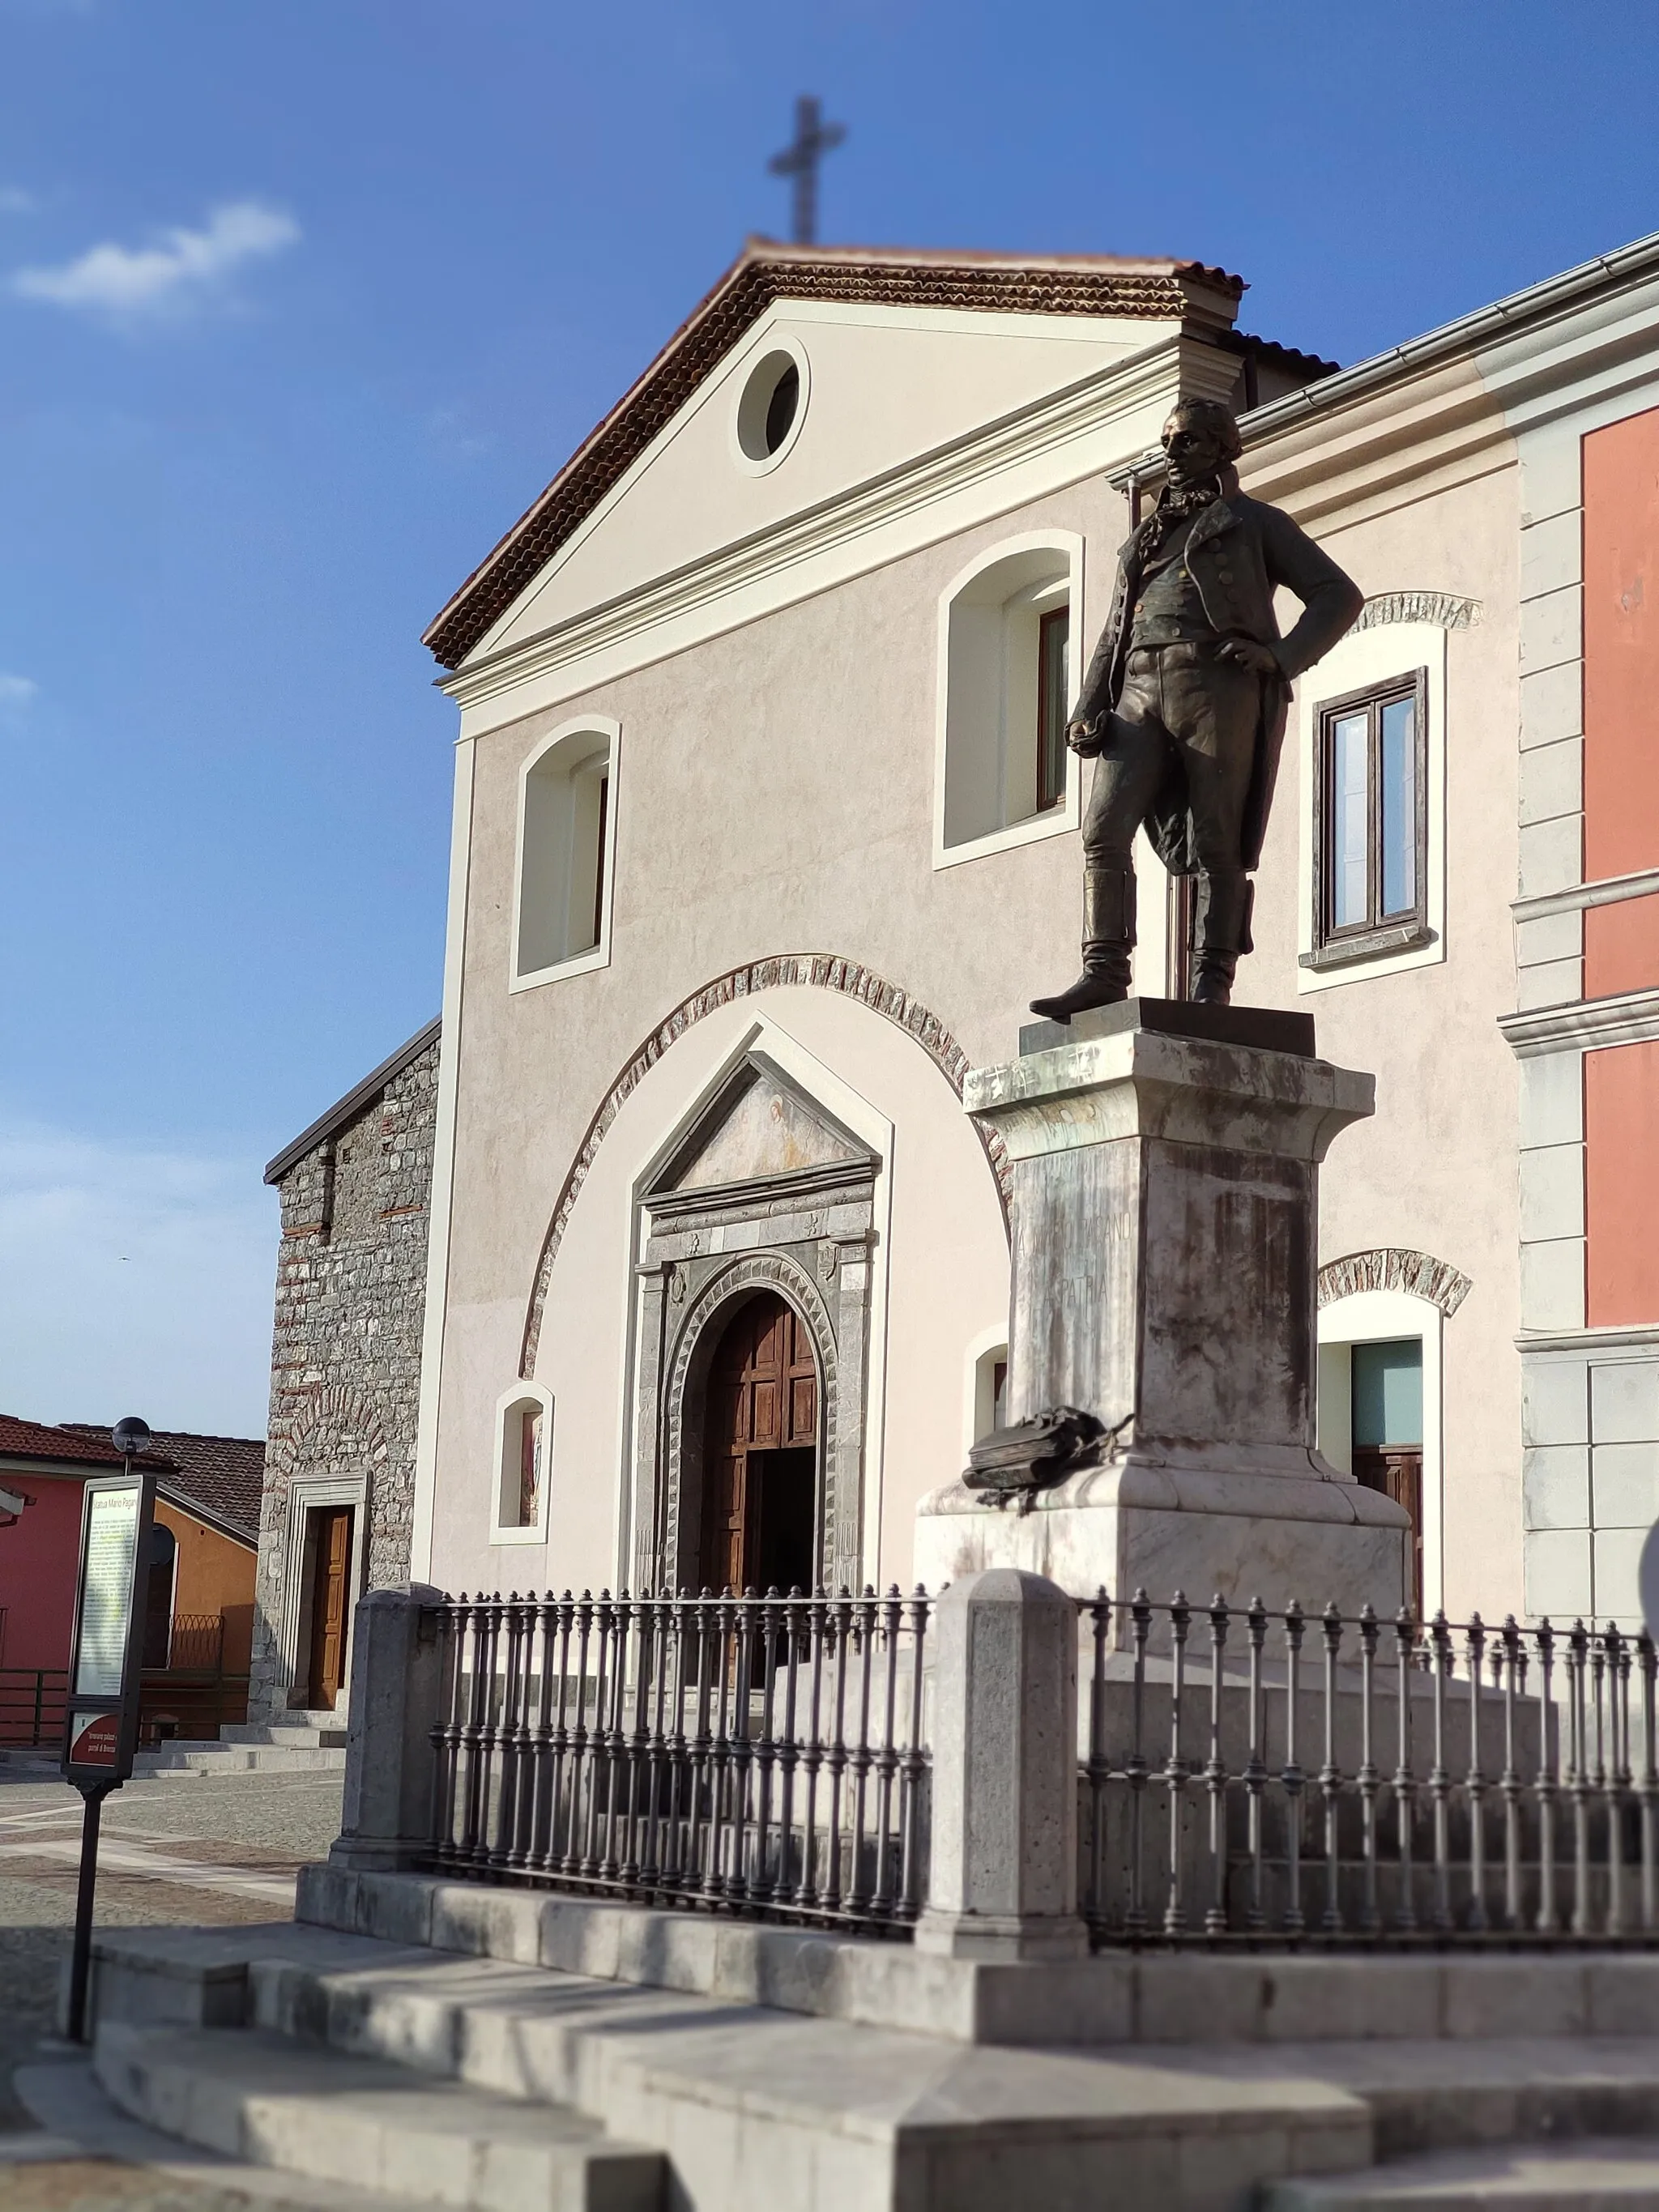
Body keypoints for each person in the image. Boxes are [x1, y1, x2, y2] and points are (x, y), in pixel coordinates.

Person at [1030, 396, 1363, 1016]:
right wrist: (1086, 704)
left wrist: (1284, 657)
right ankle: (1104, 969)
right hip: (1136, 690)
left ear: (1222, 448)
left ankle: (1213, 981)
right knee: (1101, 828)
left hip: (1214, 687)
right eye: (1167, 442)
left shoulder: (1257, 523)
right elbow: (1112, 630)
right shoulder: (1144, 537)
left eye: (1186, 441)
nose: (1172, 454)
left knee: (1219, 838)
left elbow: (1338, 593)